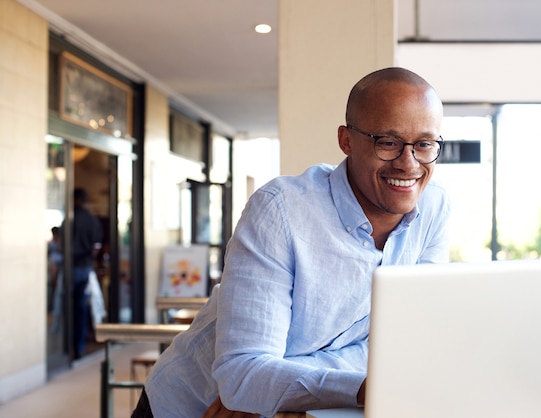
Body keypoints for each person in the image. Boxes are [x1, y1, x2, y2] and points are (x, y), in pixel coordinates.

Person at [134, 67, 450, 418]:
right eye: (388, 143)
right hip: (194, 408)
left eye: (424, 144)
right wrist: (360, 385)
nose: (409, 163)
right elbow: (242, 376)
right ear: (346, 140)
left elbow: (406, 342)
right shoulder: (281, 210)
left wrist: (279, 384)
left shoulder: (434, 208)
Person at [61, 187, 102, 359]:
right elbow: (96, 248)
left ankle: (66, 347)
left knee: (67, 309)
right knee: (82, 309)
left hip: (69, 268)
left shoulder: (68, 220)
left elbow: (61, 243)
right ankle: (79, 347)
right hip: (85, 268)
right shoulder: (92, 221)